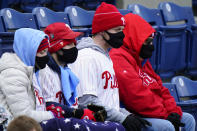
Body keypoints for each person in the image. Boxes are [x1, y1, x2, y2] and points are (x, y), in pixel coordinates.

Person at [69, 2, 151, 131]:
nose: (122, 35)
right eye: (117, 30)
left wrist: (127, 115)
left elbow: (109, 101)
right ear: (102, 31)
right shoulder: (86, 57)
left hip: (110, 121)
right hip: (98, 124)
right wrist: (122, 119)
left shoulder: (105, 56)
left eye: (122, 30)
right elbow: (87, 102)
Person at [109, 13, 196, 131]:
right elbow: (137, 97)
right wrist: (165, 115)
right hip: (133, 115)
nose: (151, 46)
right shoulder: (118, 58)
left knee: (188, 119)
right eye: (147, 41)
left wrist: (173, 112)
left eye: (152, 41)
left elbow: (161, 89)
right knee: (166, 126)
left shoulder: (140, 59)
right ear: (134, 38)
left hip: (154, 112)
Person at [0, 28, 53, 122]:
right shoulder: (13, 75)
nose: (46, 56)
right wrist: (53, 115)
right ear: (30, 52)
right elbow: (24, 117)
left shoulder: (31, 69)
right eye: (41, 52)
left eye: (46, 51)